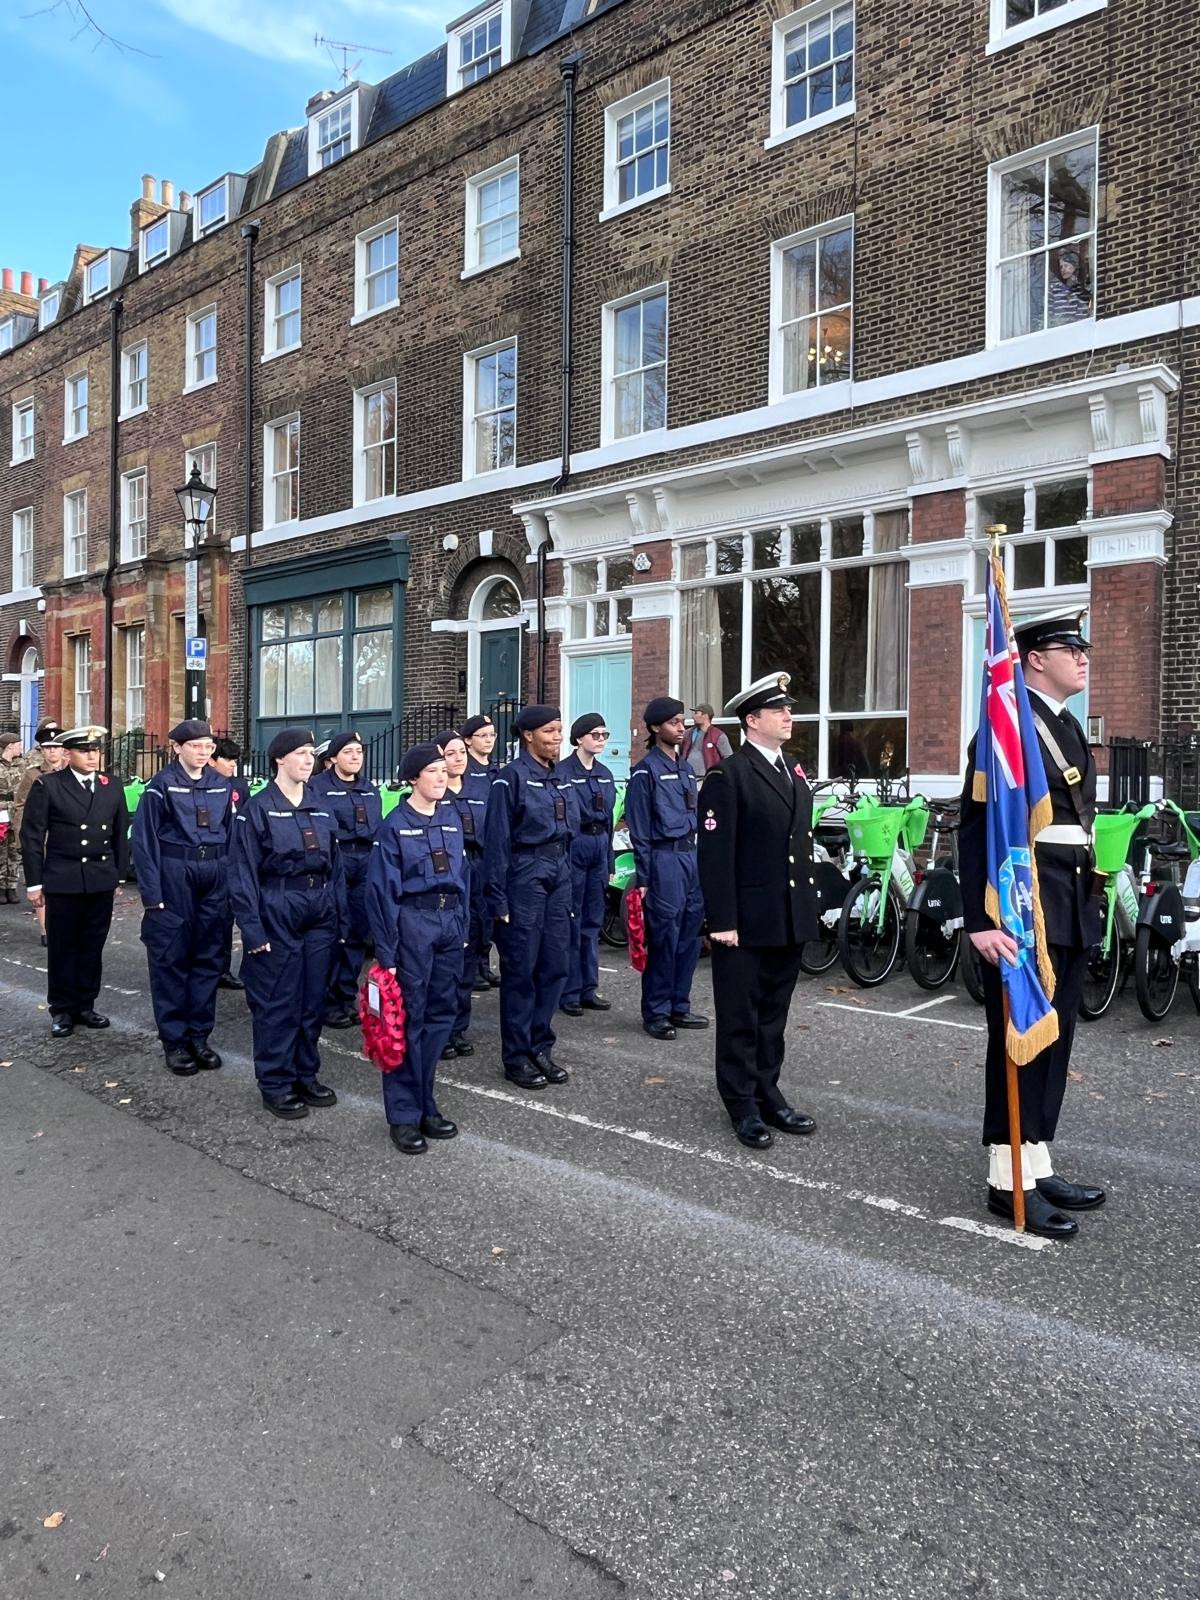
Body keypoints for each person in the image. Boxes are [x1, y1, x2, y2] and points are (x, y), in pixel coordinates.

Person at [959, 606, 1105, 1241]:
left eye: (1085, 649)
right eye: (1070, 648)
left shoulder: (1068, 729)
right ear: (1035, 658)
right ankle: (1005, 1179)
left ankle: (1037, 1162)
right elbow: (976, 829)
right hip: (1022, 911)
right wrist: (977, 921)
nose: (1083, 658)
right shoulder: (1005, 726)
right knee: (1018, 1043)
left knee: (1056, 1040)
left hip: (1068, 903)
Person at [697, 673, 820, 1149]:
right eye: (779, 711)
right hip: (744, 920)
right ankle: (741, 1102)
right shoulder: (728, 775)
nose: (789, 717)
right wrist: (722, 920)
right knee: (740, 1016)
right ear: (752, 720)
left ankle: (769, 1091)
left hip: (785, 915)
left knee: (773, 1014)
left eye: (789, 710)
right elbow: (715, 853)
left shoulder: (793, 770)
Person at [228, 726, 347, 1120]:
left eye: (312, 754)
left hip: (319, 909)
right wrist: (253, 928)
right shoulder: (257, 810)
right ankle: (276, 1082)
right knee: (279, 1001)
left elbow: (337, 865)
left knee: (312, 999)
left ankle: (304, 1074)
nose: (308, 760)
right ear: (280, 758)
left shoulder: (321, 805)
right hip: (277, 906)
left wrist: (340, 915)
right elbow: (242, 874)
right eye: (300, 753)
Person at [366, 742, 467, 1154]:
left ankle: (427, 1103)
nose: (442, 776)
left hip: (448, 923)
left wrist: (462, 927)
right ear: (413, 779)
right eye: (433, 771)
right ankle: (404, 1114)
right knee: (409, 1021)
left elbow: (465, 878)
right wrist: (387, 954)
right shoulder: (394, 826)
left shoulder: (451, 818)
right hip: (413, 925)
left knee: (441, 1016)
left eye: (444, 770)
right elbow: (381, 893)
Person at [130, 720, 234, 1076]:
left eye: (208, 746)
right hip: (175, 874)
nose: (203, 752)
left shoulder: (222, 785)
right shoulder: (160, 787)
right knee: (171, 958)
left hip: (214, 875)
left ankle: (199, 1036)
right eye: (195, 746)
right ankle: (175, 1041)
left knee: (208, 958)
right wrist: (152, 894)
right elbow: (144, 843)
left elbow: (233, 837)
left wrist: (230, 884)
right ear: (177, 748)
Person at [482, 704, 575, 1089]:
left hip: (559, 872)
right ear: (529, 735)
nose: (557, 738)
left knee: (554, 966)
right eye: (550, 731)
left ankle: (541, 1046)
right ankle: (517, 1055)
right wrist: (497, 899)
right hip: (524, 874)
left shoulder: (562, 777)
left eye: (559, 730)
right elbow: (497, 843)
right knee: (521, 970)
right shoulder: (510, 779)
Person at [18, 725, 130, 1039]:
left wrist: (118, 874)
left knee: (92, 944)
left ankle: (86, 1004)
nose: (92, 756)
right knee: (63, 946)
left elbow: (120, 832)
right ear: (68, 754)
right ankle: (63, 1008)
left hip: (99, 877)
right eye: (84, 750)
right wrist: (35, 883)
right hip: (63, 876)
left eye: (95, 750)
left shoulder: (111, 785)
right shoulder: (49, 785)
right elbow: (32, 836)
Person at [625, 697, 708, 1041]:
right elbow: (639, 829)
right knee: (665, 936)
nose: (682, 727)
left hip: (691, 855)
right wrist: (644, 876)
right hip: (664, 859)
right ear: (657, 727)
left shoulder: (687, 768)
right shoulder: (645, 772)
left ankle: (679, 1004)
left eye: (682, 722)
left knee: (690, 934)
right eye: (674, 722)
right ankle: (656, 1011)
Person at [310, 730, 382, 1029]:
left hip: (365, 862)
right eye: (349, 752)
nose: (355, 757)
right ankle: (326, 1000)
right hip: (336, 860)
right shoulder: (317, 787)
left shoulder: (369, 789)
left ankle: (345, 996)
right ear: (334, 757)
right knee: (334, 931)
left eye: (359, 752)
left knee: (357, 934)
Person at [559, 712, 616, 1017]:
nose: (601, 740)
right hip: (575, 844)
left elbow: (607, 818)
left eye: (605, 735)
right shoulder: (563, 772)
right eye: (595, 735)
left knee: (593, 920)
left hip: (598, 844)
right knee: (571, 918)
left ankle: (587, 987)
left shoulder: (605, 773)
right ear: (579, 737)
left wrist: (608, 860)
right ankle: (568, 990)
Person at [434, 728, 485, 1059]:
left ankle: (458, 1027)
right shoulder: (436, 794)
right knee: (445, 961)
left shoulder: (481, 790)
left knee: (471, 953)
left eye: (461, 753)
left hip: (478, 873)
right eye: (450, 754)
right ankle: (441, 1029)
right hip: (448, 879)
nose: (458, 759)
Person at [13, 722, 65, 943]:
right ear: (42, 750)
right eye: (47, 747)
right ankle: (45, 929)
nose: (52, 751)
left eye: (56, 746)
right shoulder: (32, 775)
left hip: (64, 837)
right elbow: (20, 806)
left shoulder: (73, 771)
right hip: (41, 837)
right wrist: (21, 837)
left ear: (63, 749)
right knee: (41, 883)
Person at [462, 713, 501, 990]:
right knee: (473, 914)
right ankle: (472, 967)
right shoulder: (464, 770)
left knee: (488, 913)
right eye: (483, 735)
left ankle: (485, 964)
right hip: (471, 850)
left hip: (493, 851)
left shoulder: (496, 772)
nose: (489, 741)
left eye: (492, 735)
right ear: (468, 740)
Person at [208, 736, 249, 989]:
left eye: (235, 760)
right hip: (210, 859)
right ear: (212, 760)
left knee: (226, 919)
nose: (232, 764)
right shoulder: (205, 784)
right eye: (227, 759)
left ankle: (222, 969)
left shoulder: (239, 787)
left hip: (232, 860)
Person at [0, 730, 27, 903]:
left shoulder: (22, 764)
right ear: (10, 746)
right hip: (1, 810)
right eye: (18, 744)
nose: (20, 747)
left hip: (17, 810)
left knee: (15, 850)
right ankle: (1, 887)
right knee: (1, 850)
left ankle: (12, 886)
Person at [684, 706, 732, 780]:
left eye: (696, 713)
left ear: (705, 716)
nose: (693, 716)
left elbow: (728, 758)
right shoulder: (688, 733)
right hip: (687, 776)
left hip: (708, 778)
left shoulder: (718, 735)